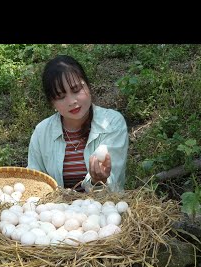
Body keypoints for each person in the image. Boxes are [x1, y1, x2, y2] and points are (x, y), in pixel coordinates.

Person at [27, 55, 129, 192]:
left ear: (88, 85)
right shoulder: (42, 133)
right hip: (55, 212)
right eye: (61, 96)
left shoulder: (112, 123)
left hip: (104, 209)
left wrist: (97, 181)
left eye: (76, 90)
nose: (72, 101)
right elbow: (35, 183)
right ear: (52, 102)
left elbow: (113, 183)